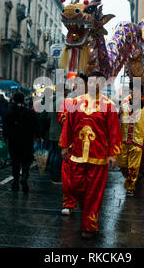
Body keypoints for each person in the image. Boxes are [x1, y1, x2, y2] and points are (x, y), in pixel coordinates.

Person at [59, 71, 122, 239]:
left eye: (98, 82)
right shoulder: (75, 103)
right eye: (92, 82)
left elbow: (114, 131)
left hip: (98, 157)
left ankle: (89, 225)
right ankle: (83, 207)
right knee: (74, 186)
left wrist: (113, 154)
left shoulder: (109, 105)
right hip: (77, 154)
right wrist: (64, 146)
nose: (94, 85)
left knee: (94, 193)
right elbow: (67, 127)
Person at [118, 84, 144, 196]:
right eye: (132, 90)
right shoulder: (123, 106)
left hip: (137, 142)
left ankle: (130, 187)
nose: (134, 93)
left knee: (134, 166)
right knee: (122, 165)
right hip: (123, 141)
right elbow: (117, 122)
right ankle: (128, 178)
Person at [60, 73, 88, 216]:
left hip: (87, 148)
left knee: (84, 179)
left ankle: (83, 202)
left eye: (81, 83)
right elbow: (61, 118)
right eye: (76, 83)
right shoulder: (68, 101)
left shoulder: (93, 102)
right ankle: (68, 203)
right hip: (70, 145)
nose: (77, 86)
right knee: (67, 178)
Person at [3, 92, 40, 193]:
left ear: (14, 100)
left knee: (15, 161)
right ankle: (24, 176)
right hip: (27, 141)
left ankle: (15, 181)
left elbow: (5, 126)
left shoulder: (9, 112)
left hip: (13, 141)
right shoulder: (29, 113)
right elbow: (36, 126)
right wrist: (37, 136)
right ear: (24, 100)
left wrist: (6, 137)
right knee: (26, 161)